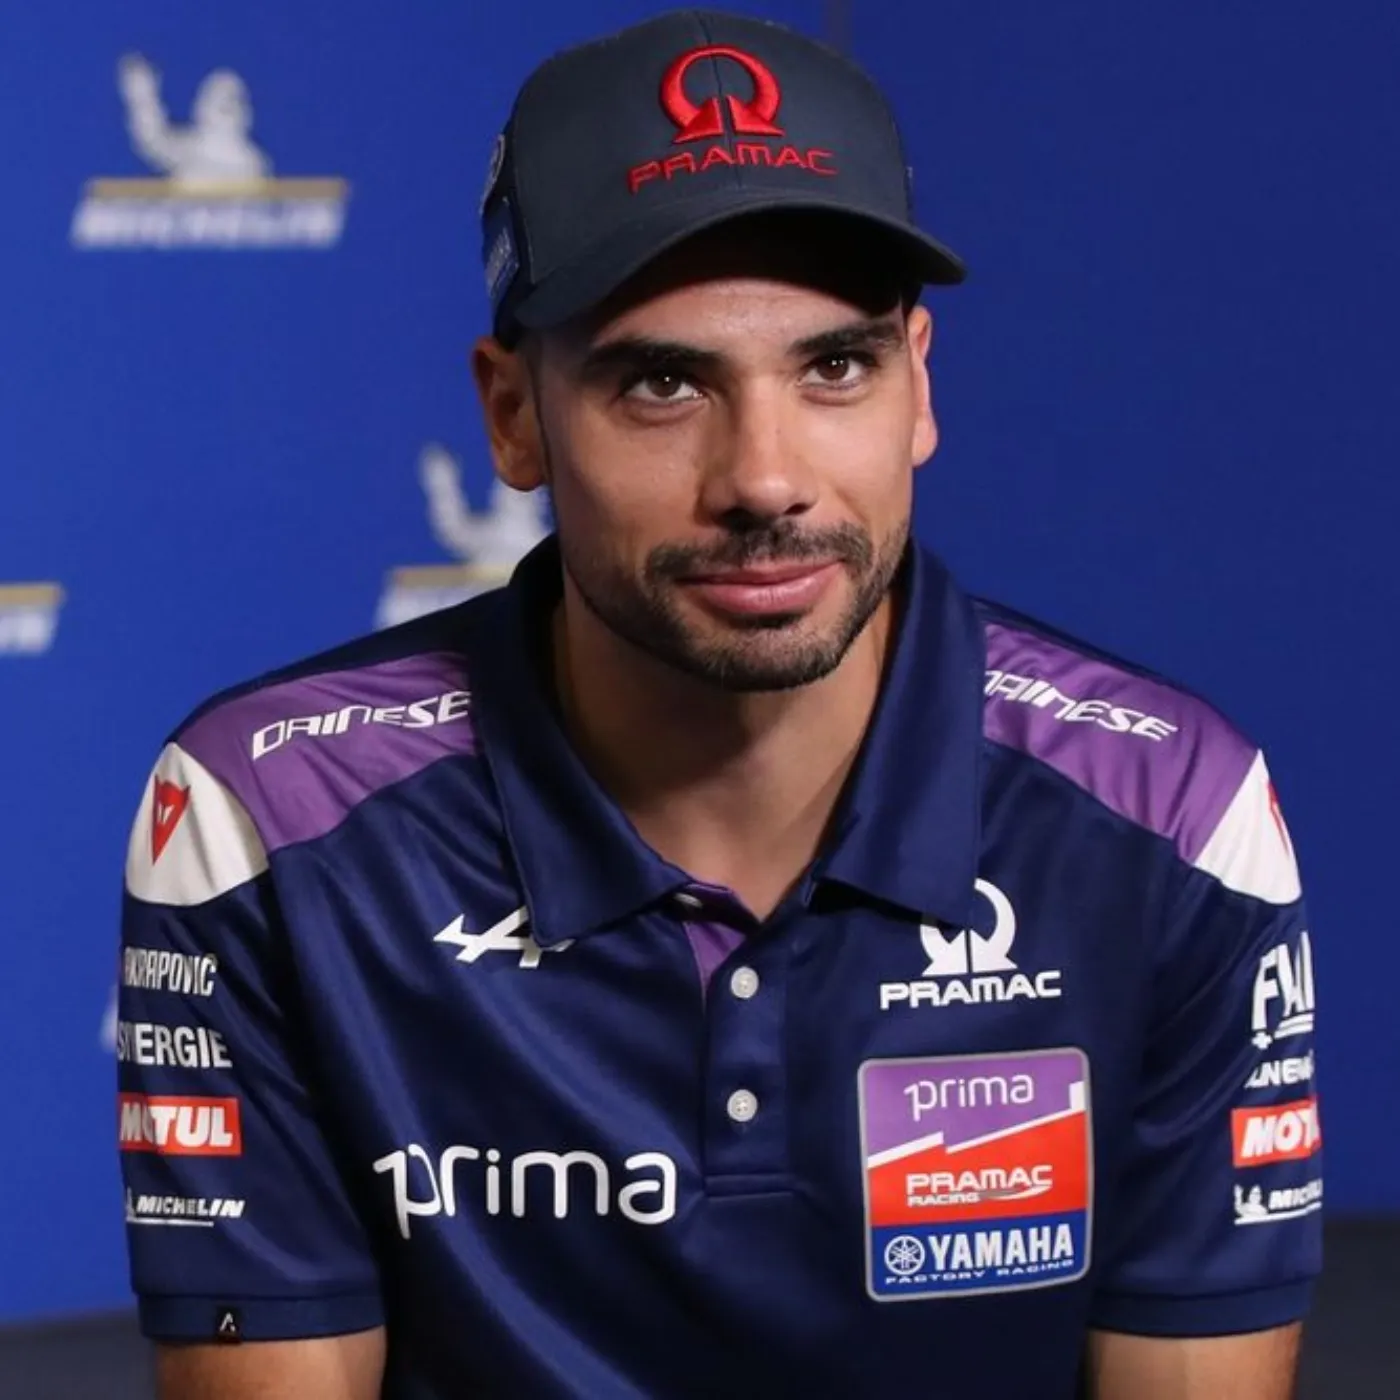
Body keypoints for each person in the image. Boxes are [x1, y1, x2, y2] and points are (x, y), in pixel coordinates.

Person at [116, 9, 1322, 1399]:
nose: (765, 479)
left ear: (920, 384)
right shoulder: (269, 818)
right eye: (662, 382)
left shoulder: (1175, 817)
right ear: (513, 416)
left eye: (834, 367)